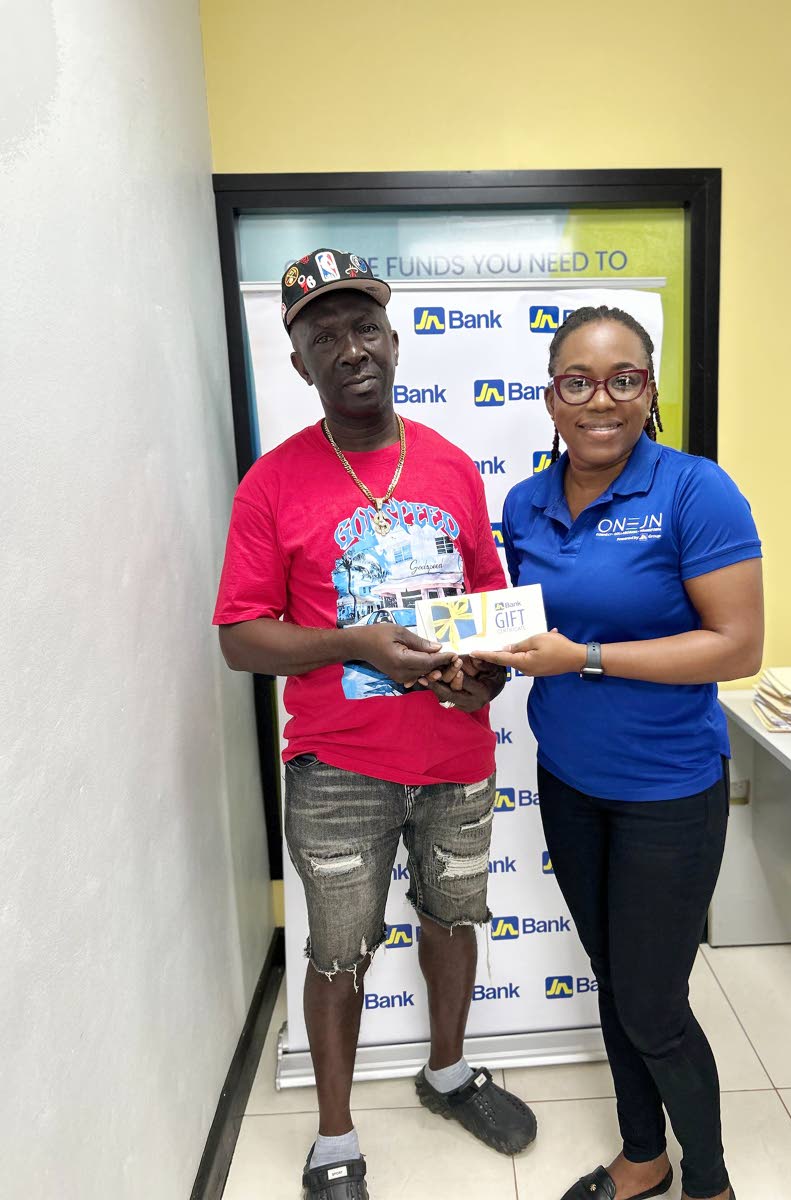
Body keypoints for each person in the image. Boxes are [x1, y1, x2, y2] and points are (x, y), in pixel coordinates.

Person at [212, 248, 536, 1199]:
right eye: (324, 337)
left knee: (453, 919)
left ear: (394, 342)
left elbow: (486, 601)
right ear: (300, 364)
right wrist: (351, 642)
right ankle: (335, 1136)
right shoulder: (271, 486)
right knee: (338, 950)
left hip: (456, 754)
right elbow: (240, 639)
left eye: (363, 329)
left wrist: (487, 680)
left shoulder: (447, 465)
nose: (349, 349)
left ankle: (444, 1074)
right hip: (339, 765)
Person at [476, 306, 763, 1200]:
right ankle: (644, 1154)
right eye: (579, 382)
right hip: (567, 782)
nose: (601, 400)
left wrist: (586, 658)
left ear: (650, 391)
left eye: (624, 378)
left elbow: (736, 647)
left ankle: (708, 1182)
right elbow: (519, 634)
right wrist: (468, 661)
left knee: (654, 1006)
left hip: (669, 792)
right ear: (550, 395)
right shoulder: (523, 502)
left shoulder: (693, 491)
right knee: (612, 979)